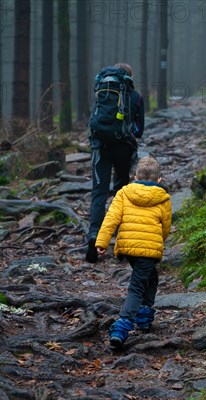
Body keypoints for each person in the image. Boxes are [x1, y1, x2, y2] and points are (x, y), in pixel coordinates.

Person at [94, 156, 172, 348]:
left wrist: (102, 242)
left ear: (134, 176)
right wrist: (158, 242)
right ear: (159, 180)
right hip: (148, 249)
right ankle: (122, 326)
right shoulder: (163, 198)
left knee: (151, 277)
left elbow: (111, 218)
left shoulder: (124, 193)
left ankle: (144, 316)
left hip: (129, 248)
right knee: (137, 286)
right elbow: (166, 227)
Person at [86, 62, 145, 263]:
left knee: (99, 193)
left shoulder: (103, 91)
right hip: (123, 149)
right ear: (130, 77)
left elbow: (95, 118)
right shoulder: (135, 97)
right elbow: (139, 130)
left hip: (100, 147)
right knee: (121, 194)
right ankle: (122, 241)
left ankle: (94, 237)